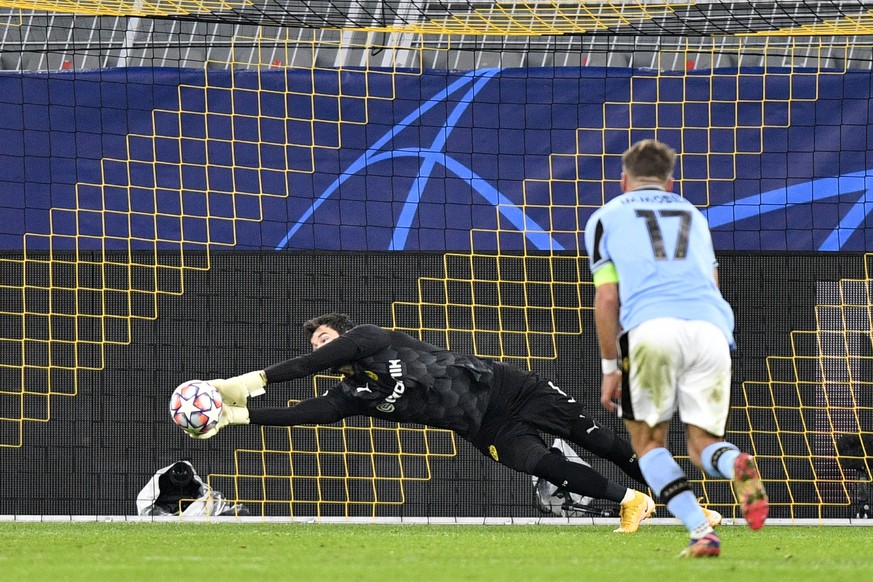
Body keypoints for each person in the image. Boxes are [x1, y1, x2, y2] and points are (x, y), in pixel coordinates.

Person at [188, 312, 658, 532]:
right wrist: (238, 416)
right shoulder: (351, 394)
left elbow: (308, 366)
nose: (321, 349)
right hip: (484, 429)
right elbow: (302, 414)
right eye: (316, 346)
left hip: (511, 390)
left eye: (325, 339)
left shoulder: (370, 339)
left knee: (607, 445)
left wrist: (253, 379)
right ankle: (632, 501)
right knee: (541, 464)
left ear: (344, 336)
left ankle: (685, 504)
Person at [583, 139, 768, 557]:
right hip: (711, 331)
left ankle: (702, 531)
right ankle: (736, 463)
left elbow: (607, 299)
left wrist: (611, 366)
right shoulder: (692, 215)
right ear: (669, 183)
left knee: (649, 444)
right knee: (704, 448)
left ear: (623, 180)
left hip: (652, 330)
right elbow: (712, 282)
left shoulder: (605, 217)